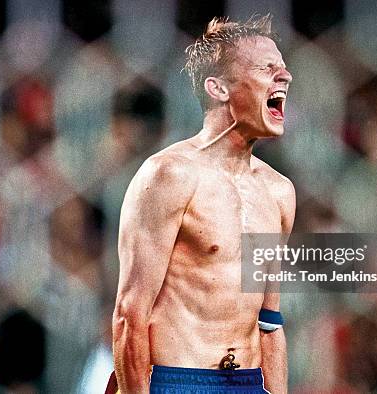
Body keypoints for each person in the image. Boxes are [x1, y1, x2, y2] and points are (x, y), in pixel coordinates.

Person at [112, 14, 295, 393]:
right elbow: (130, 313)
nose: (286, 77)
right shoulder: (169, 175)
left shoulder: (278, 191)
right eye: (268, 68)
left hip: (247, 382)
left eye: (284, 68)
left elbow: (270, 321)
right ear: (219, 87)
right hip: (179, 379)